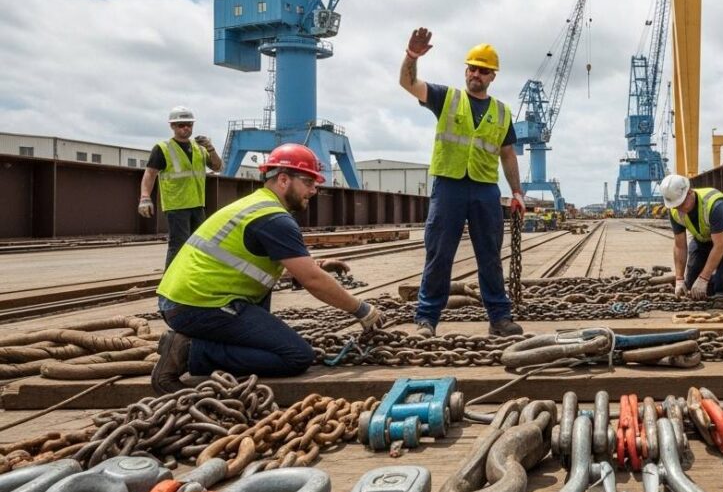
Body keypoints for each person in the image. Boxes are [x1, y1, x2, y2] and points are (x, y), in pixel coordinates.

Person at [151, 143, 384, 394]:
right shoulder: (274, 219)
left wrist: (317, 266)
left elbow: (259, 261)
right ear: (283, 180)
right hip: (199, 307)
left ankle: (198, 344)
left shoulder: (258, 206)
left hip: (185, 301)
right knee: (296, 356)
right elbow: (313, 281)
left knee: (272, 339)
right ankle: (189, 351)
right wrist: (361, 309)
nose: (314, 190)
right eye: (308, 182)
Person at [399, 27, 526, 337]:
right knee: (439, 253)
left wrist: (517, 192)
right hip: (449, 186)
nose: (475, 74)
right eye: (472, 68)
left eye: (483, 70)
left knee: (490, 256)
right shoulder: (447, 98)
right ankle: (427, 319)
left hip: (485, 188)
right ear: (466, 70)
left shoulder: (502, 112)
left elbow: (507, 154)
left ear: (492, 76)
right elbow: (408, 83)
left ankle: (499, 318)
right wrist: (412, 56)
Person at [138, 106, 223, 268]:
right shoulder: (163, 148)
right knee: (178, 245)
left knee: (199, 245)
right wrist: (145, 198)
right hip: (177, 205)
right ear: (172, 126)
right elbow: (150, 173)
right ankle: (170, 281)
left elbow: (217, 167)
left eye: (189, 124)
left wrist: (211, 149)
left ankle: (191, 276)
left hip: (197, 204)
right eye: (181, 125)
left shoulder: (200, 148)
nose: (186, 128)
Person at [660, 174, 723, 300]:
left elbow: (719, 245)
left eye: (681, 204)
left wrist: (703, 278)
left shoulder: (714, 204)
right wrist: (679, 279)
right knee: (692, 280)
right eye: (676, 206)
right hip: (704, 233)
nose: (679, 209)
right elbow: (680, 246)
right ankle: (711, 286)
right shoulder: (675, 211)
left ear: (690, 192)